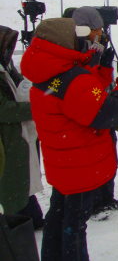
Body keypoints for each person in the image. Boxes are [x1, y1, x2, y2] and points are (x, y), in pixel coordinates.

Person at [20, 18, 118, 261]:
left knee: (58, 219)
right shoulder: (71, 78)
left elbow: (80, 99)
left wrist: (101, 70)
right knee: (74, 226)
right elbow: (106, 112)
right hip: (80, 164)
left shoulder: (48, 71)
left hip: (63, 162)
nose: (85, 42)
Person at [71, 7, 118, 218]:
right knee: (92, 158)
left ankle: (107, 196)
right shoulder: (75, 48)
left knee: (109, 152)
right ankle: (94, 201)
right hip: (89, 109)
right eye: (96, 29)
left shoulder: (98, 45)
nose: (100, 33)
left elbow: (104, 76)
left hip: (103, 101)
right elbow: (85, 78)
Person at [0, 26, 43, 230]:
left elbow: (20, 85)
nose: (9, 51)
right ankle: (15, 225)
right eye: (6, 46)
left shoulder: (6, 67)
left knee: (23, 176)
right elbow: (3, 108)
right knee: (12, 182)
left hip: (18, 134)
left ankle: (31, 219)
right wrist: (34, 107)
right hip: (6, 137)